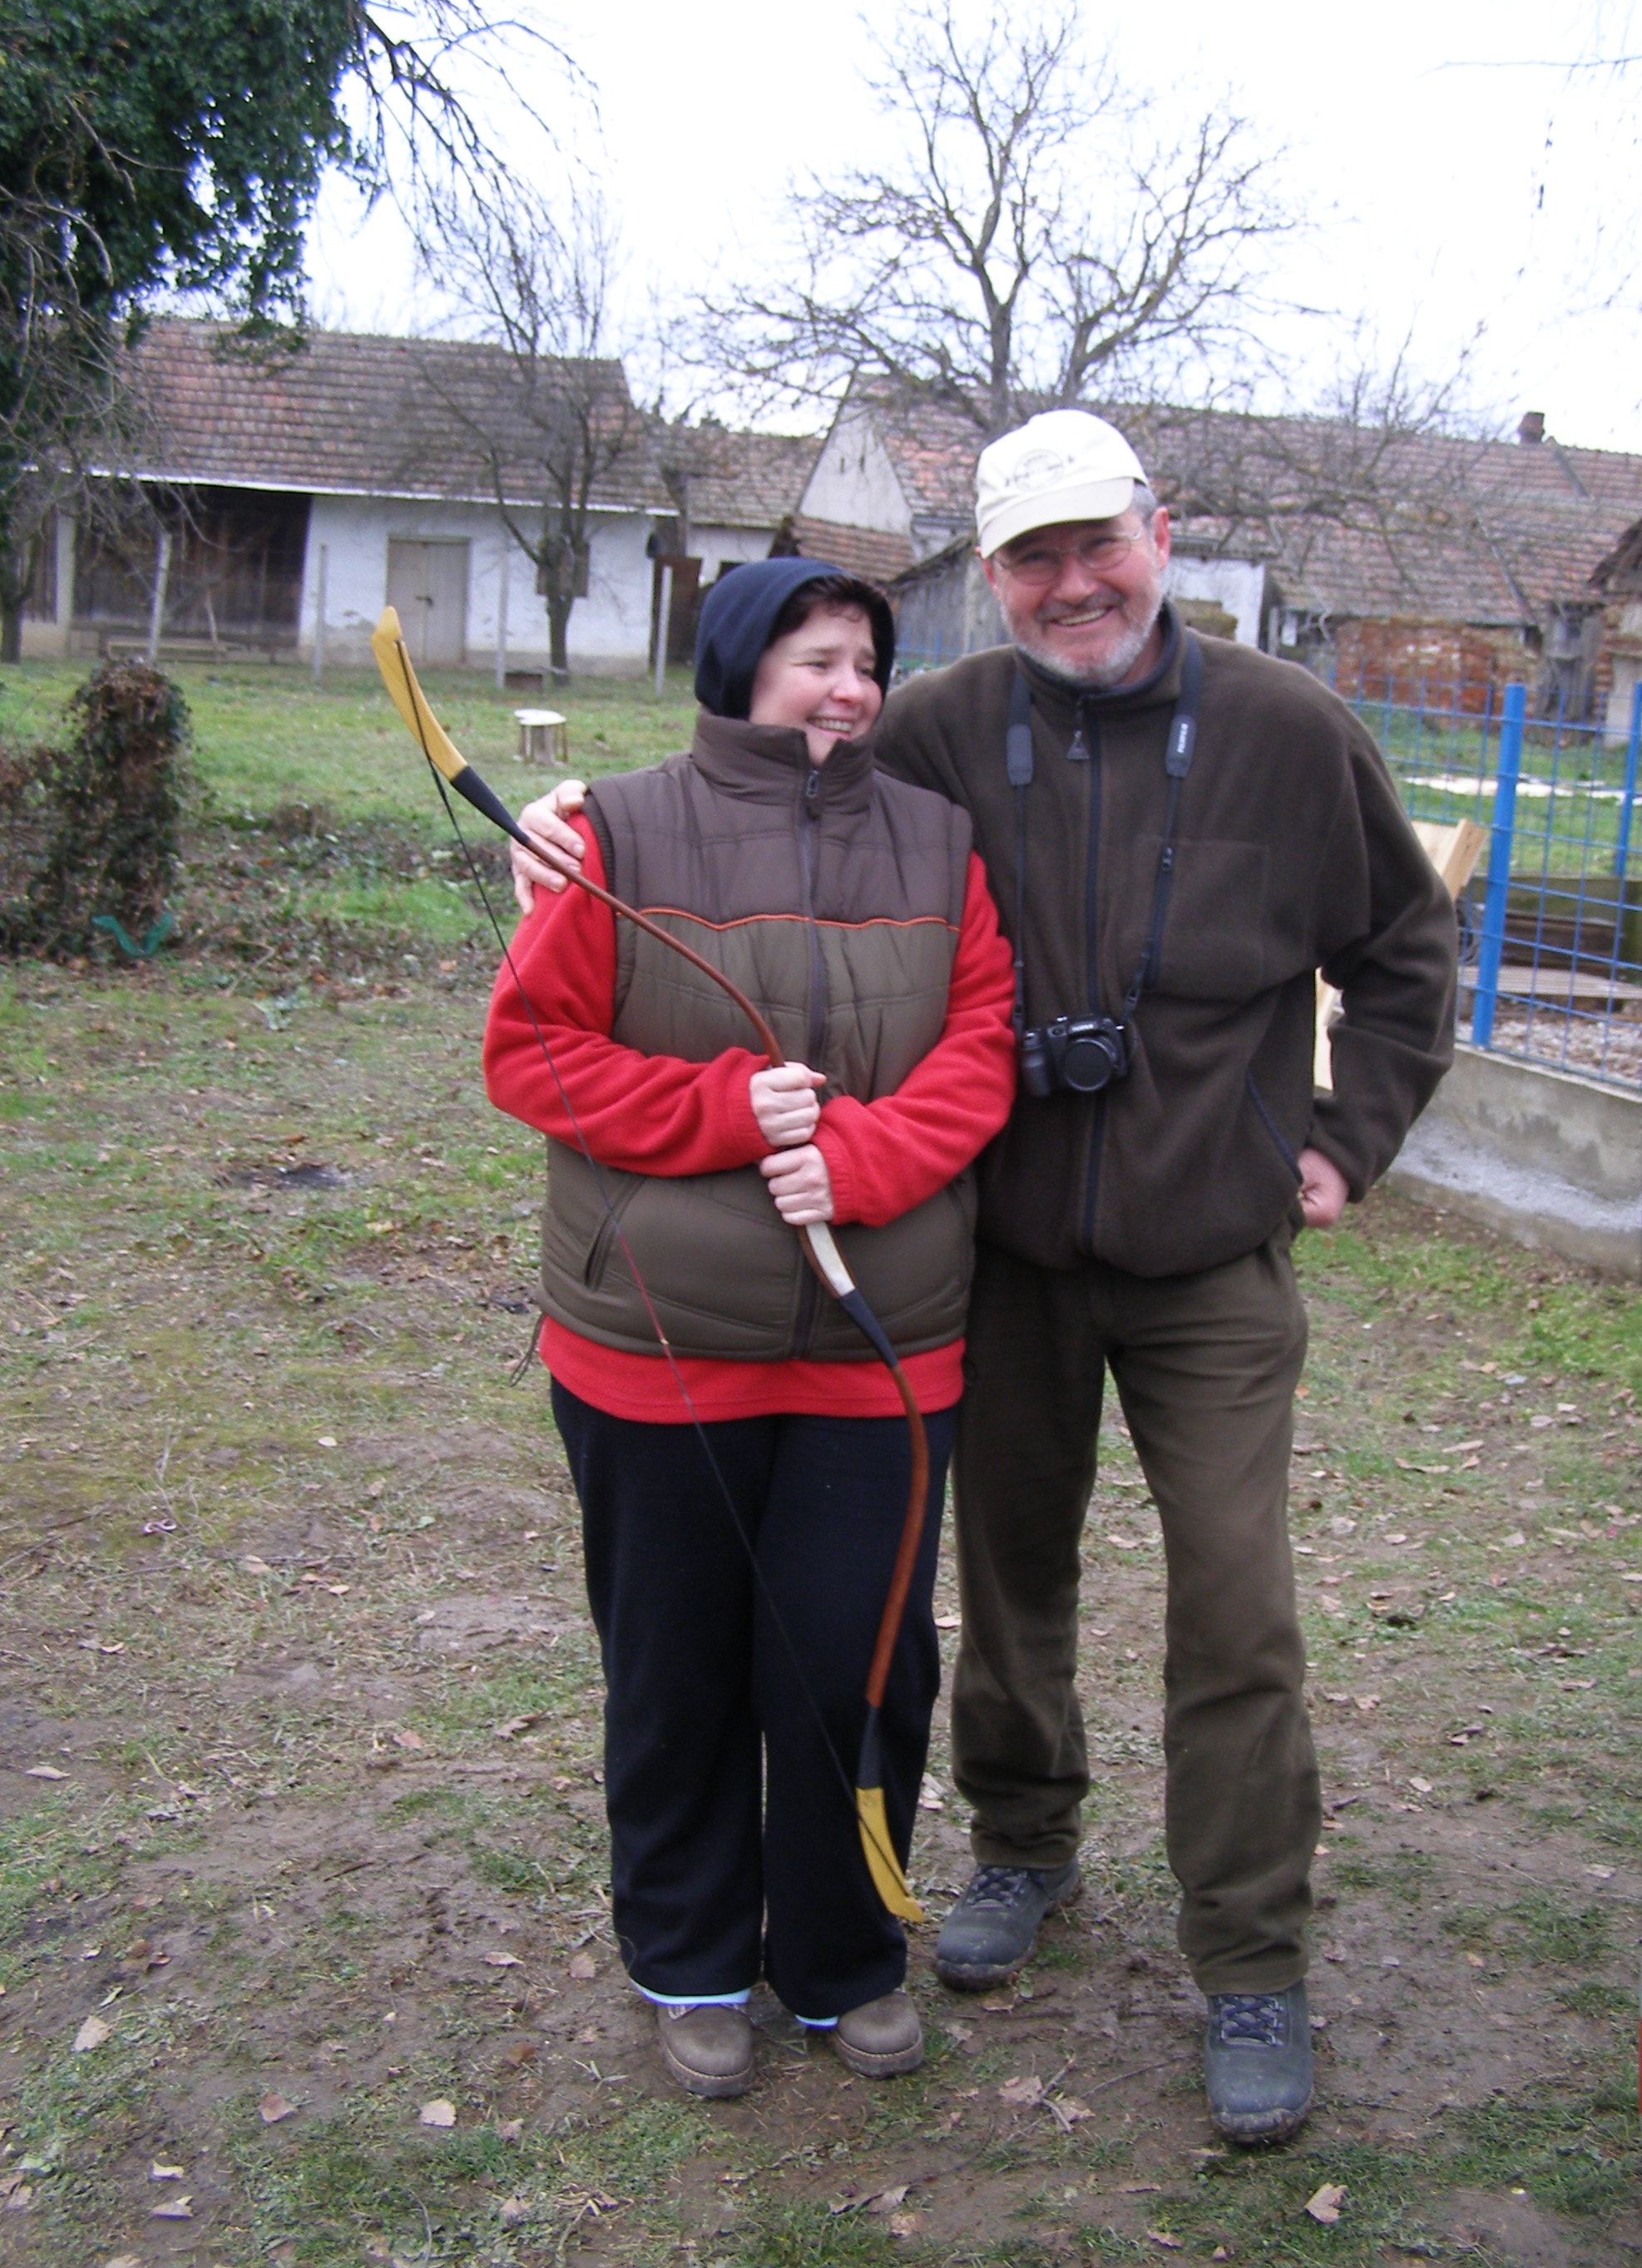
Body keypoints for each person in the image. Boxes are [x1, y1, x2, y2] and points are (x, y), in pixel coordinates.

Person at [514, 413, 1456, 2143]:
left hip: (1210, 1257)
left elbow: (1407, 948)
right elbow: (756, 768)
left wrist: (1348, 1135)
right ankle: (1023, 1845)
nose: (1071, 582)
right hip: (1002, 1255)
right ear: (994, 576)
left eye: (1098, 543)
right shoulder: (941, 722)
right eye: (1031, 557)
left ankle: (1251, 1954)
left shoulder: (1288, 732)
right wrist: (568, 819)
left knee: (1236, 1606)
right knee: (1010, 1590)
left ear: (1160, 533)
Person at [482, 557, 1014, 2102]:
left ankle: (845, 1959)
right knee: (679, 1673)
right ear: (737, 669)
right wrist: (726, 1109)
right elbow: (532, 1050)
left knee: (858, 1671)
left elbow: (982, 1044)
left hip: (879, 1340)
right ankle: (694, 1962)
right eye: (812, 659)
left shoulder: (940, 842)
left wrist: (862, 1159)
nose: (847, 689)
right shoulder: (615, 833)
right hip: (659, 1353)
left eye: (865, 662)